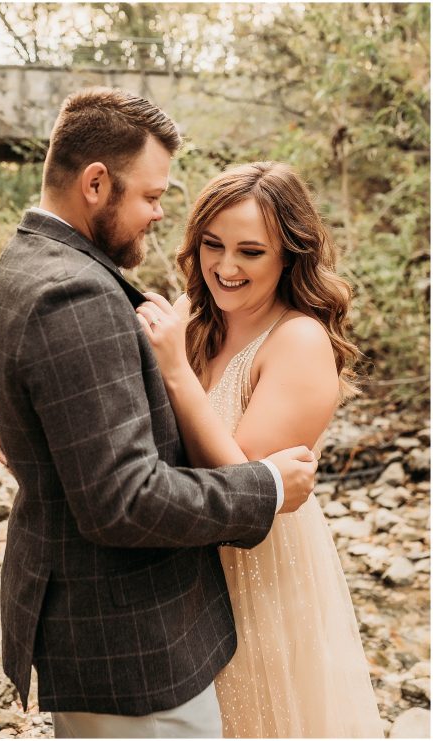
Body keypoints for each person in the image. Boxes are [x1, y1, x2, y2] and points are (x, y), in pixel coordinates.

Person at [0, 87, 318, 738]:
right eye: (151, 195)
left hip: (112, 626)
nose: (160, 213)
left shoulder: (27, 258)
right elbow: (125, 499)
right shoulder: (76, 293)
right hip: (131, 645)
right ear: (96, 182)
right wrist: (270, 484)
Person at [133, 161, 383, 737]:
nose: (225, 267)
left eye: (251, 252)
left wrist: (174, 370)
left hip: (261, 572)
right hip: (188, 569)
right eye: (213, 245)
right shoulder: (194, 319)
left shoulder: (298, 340)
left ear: (289, 256)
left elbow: (245, 490)